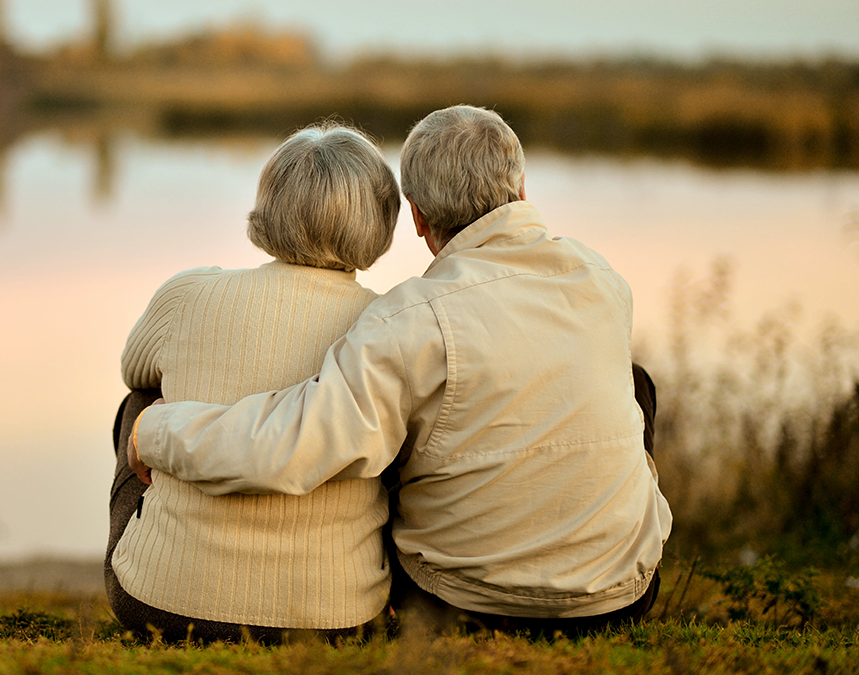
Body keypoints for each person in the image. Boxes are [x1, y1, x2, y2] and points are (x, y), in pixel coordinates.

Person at [130, 105, 673, 638]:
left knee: (390, 428)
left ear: (415, 216)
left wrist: (153, 429)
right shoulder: (604, 280)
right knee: (634, 383)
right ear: (523, 188)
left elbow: (297, 443)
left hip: (462, 601)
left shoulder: (411, 318)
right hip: (619, 597)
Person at [107, 122, 401, 643]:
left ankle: (166, 550)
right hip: (337, 616)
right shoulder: (389, 324)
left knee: (141, 403)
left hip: (161, 603)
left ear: (268, 206)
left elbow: (135, 369)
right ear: (381, 220)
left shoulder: (188, 293)